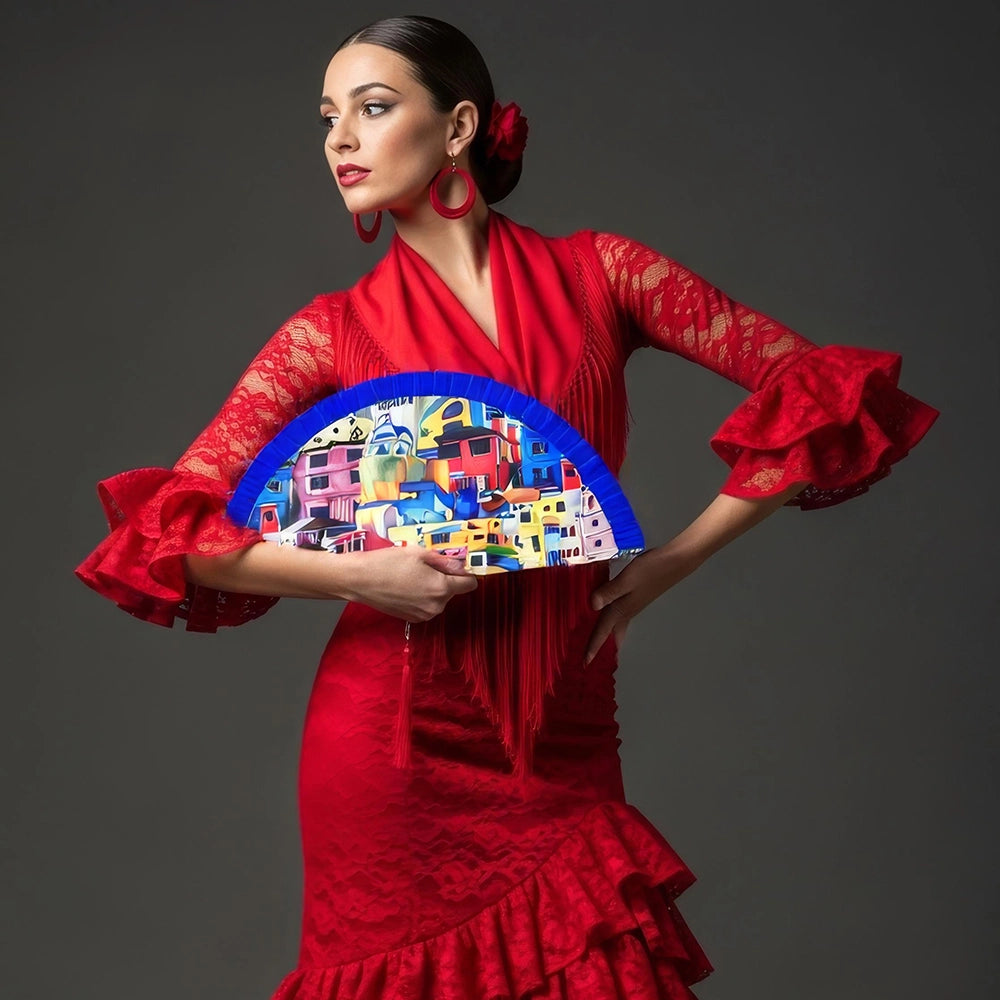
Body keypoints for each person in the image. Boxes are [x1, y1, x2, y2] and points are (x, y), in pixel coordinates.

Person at [74, 14, 940, 1000]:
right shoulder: (329, 335)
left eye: (372, 106)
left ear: (458, 128)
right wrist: (360, 574)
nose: (340, 140)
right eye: (326, 118)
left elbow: (821, 391)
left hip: (561, 719)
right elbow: (169, 540)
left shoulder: (604, 274)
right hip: (391, 740)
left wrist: (673, 560)